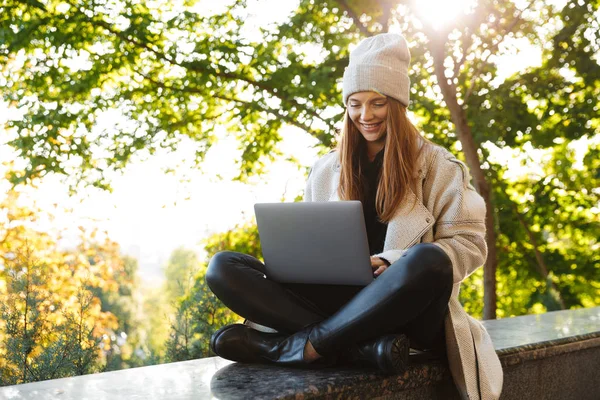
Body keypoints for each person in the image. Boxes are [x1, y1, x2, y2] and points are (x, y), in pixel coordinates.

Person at [205, 33, 503, 400]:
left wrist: (392, 261)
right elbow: (311, 242)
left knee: (429, 259)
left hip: (408, 311)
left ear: (397, 104)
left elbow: (470, 245)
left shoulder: (438, 166)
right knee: (223, 267)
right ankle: (363, 350)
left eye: (378, 103)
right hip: (338, 302)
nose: (366, 116)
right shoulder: (326, 169)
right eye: (355, 104)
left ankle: (301, 347)